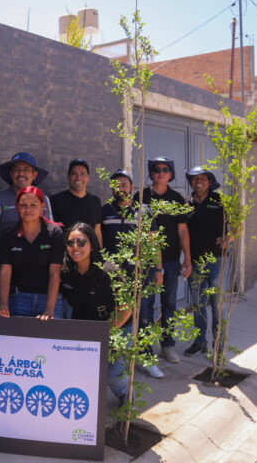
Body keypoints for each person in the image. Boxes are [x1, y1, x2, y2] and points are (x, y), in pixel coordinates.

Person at [101, 169, 164, 379]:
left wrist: (158, 270)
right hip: (113, 279)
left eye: (124, 184)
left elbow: (154, 244)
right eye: (117, 184)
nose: (121, 188)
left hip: (140, 276)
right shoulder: (105, 211)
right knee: (117, 318)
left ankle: (146, 360)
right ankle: (118, 359)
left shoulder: (144, 211)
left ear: (132, 187)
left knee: (143, 318)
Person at [60, 223, 131, 403]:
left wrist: (105, 332)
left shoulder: (109, 269)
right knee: (82, 371)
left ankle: (126, 399)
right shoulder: (66, 271)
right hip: (84, 326)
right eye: (70, 243)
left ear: (92, 244)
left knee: (114, 373)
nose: (75, 247)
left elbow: (125, 310)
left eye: (81, 242)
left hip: (116, 326)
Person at [133, 157, 192, 364]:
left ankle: (168, 346)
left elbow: (183, 230)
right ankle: (147, 348)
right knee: (146, 305)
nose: (160, 172)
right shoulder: (141, 196)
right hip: (147, 262)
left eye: (165, 169)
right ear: (151, 172)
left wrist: (188, 259)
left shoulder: (177, 198)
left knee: (169, 304)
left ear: (171, 173)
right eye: (156, 169)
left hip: (172, 261)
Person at [0, 186, 66, 320]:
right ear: (17, 207)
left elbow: (55, 272)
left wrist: (49, 309)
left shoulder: (54, 233)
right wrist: (3, 303)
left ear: (42, 206)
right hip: (17, 300)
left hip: (48, 299)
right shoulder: (9, 235)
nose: (28, 210)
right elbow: (5, 271)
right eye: (23, 205)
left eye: (33, 205)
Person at [184, 167, 228, 357]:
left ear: (210, 182)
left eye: (202, 178)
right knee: (198, 305)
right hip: (194, 263)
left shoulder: (221, 201)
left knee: (217, 305)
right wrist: (185, 261)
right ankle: (200, 342)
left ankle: (218, 344)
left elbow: (239, 225)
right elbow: (181, 233)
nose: (198, 181)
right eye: (194, 178)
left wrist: (229, 238)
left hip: (216, 261)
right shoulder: (186, 204)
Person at [0, 152, 53, 249]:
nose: (21, 174)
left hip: (40, 261)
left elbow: (51, 234)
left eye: (26, 170)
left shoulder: (44, 200)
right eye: (17, 170)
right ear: (11, 174)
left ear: (34, 175)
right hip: (6, 262)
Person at [50, 159, 103, 246]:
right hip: (64, 255)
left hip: (89, 256)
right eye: (74, 174)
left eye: (82, 174)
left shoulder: (95, 201)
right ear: (68, 177)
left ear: (88, 178)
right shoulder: (56, 200)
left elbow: (97, 232)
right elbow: (52, 232)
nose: (78, 177)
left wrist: (100, 256)